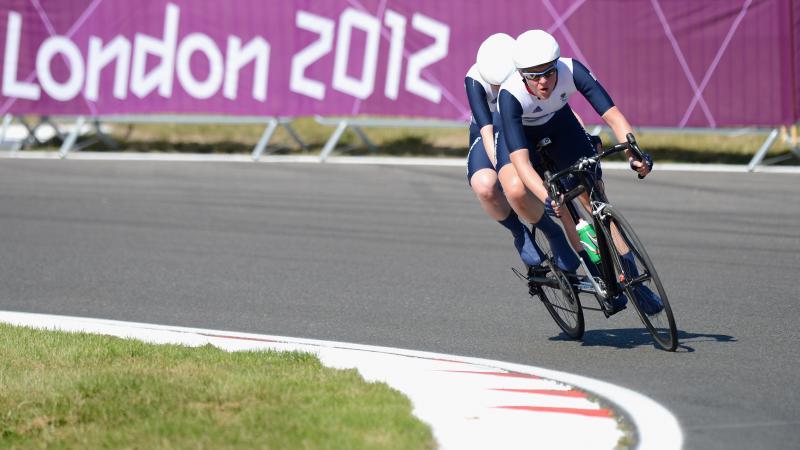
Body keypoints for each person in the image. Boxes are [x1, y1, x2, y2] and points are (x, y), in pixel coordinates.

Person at [496, 29, 661, 314]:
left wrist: (634, 153)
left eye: (548, 73)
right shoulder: (509, 95)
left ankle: (633, 280)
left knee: (594, 196)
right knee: (562, 205)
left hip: (560, 125)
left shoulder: (572, 70)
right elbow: (521, 163)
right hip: (524, 138)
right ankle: (596, 270)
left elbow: (614, 117)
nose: (543, 81)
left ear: (556, 65)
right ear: (522, 75)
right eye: (534, 76)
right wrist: (547, 197)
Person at [464, 33, 541, 268]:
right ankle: (519, 233)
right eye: (494, 85)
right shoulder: (474, 79)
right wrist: (504, 171)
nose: (499, 90)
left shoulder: (529, 65)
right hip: (491, 128)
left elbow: (558, 111)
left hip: (527, 122)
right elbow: (487, 133)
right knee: (485, 186)